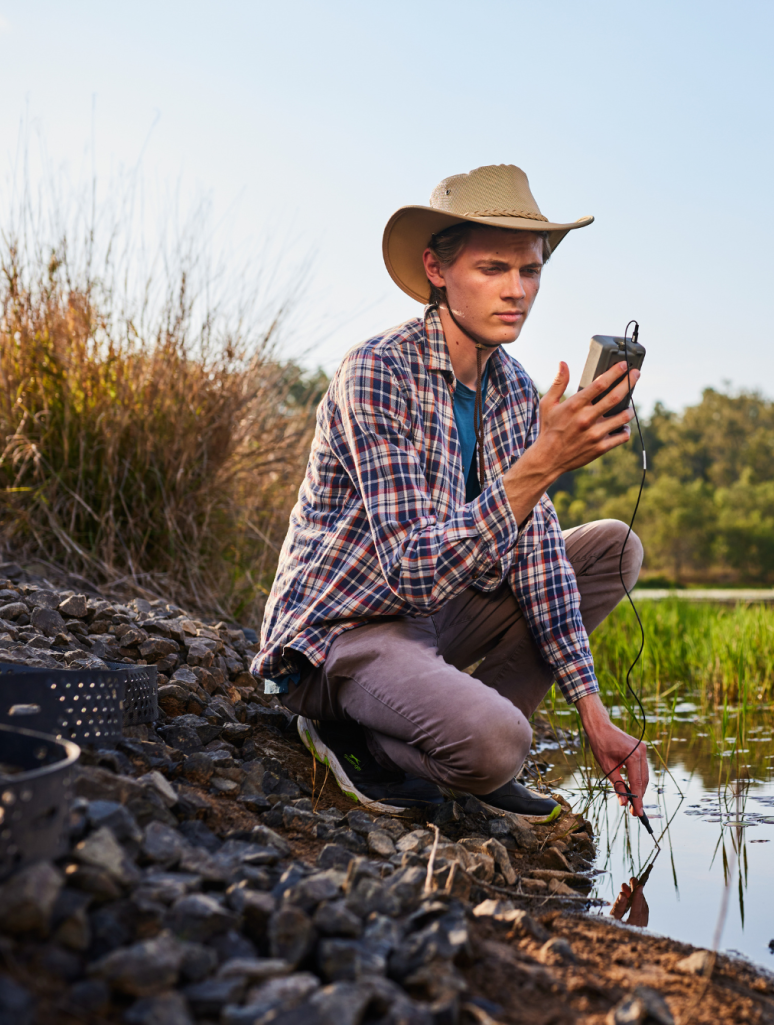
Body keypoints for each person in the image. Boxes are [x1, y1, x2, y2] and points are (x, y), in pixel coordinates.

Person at [252, 164, 649, 823]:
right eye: (493, 268)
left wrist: (595, 715)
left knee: (612, 548)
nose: (517, 290)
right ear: (437, 270)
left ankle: (442, 719)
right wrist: (543, 463)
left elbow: (540, 557)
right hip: (343, 629)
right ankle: (350, 733)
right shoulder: (377, 371)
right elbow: (410, 571)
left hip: (427, 625)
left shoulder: (517, 390)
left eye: (530, 271)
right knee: (500, 745)